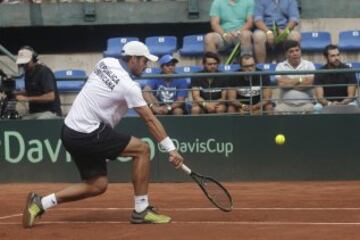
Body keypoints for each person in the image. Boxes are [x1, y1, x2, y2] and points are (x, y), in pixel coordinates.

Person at [22, 41, 184, 228]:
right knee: (142, 149)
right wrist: (171, 149)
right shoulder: (129, 86)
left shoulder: (105, 63)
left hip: (70, 129)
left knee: (97, 184)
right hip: (88, 132)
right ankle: (142, 210)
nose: (146, 65)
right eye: (144, 61)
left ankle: (40, 203)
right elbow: (150, 120)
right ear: (132, 59)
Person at [15, 46, 62, 119]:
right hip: (35, 112)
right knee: (21, 120)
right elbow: (31, 91)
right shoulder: (28, 73)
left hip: (51, 112)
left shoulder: (44, 72)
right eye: (22, 64)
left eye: (25, 63)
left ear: (33, 59)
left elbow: (50, 96)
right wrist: (15, 94)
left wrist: (27, 98)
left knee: (39, 121)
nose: (23, 66)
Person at [274, 40, 316, 114]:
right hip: (285, 104)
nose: (295, 53)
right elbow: (282, 84)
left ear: (300, 51)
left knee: (313, 109)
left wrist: (289, 81)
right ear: (286, 54)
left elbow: (310, 83)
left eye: (297, 50)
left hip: (306, 104)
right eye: (291, 51)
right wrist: (301, 79)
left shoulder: (309, 65)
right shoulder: (280, 66)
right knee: (277, 110)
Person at [314, 44, 358, 112]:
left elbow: (351, 96)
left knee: (354, 106)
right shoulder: (319, 72)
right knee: (317, 108)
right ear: (326, 57)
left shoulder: (349, 70)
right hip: (327, 104)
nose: (336, 58)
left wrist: (341, 104)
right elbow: (320, 97)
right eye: (333, 56)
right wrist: (330, 104)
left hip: (346, 103)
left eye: (338, 55)